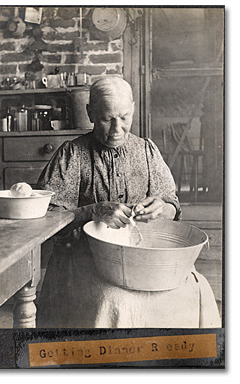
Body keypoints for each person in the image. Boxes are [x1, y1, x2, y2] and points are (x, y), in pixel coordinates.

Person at [36, 76, 221, 328]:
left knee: (197, 289)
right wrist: (93, 211)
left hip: (145, 259)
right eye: (106, 118)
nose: (116, 129)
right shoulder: (73, 154)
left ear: (133, 109)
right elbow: (46, 220)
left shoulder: (146, 151)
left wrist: (162, 208)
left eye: (124, 118)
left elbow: (171, 205)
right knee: (116, 301)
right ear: (90, 113)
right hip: (83, 259)